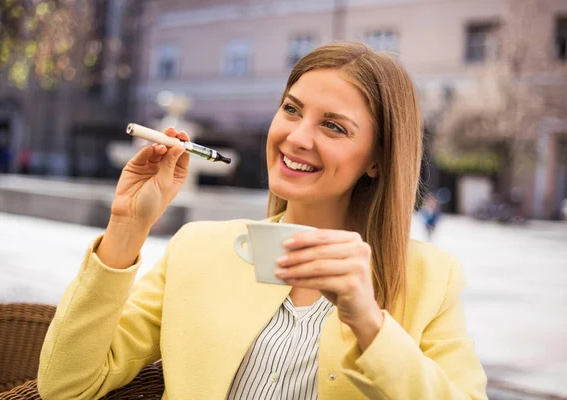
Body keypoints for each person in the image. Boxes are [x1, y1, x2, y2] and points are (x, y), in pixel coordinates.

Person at [37, 42, 488, 399]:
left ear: (377, 159)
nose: (297, 137)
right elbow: (67, 385)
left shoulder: (428, 278)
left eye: (333, 126)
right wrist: (127, 226)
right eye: (292, 110)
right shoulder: (198, 248)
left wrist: (369, 321)